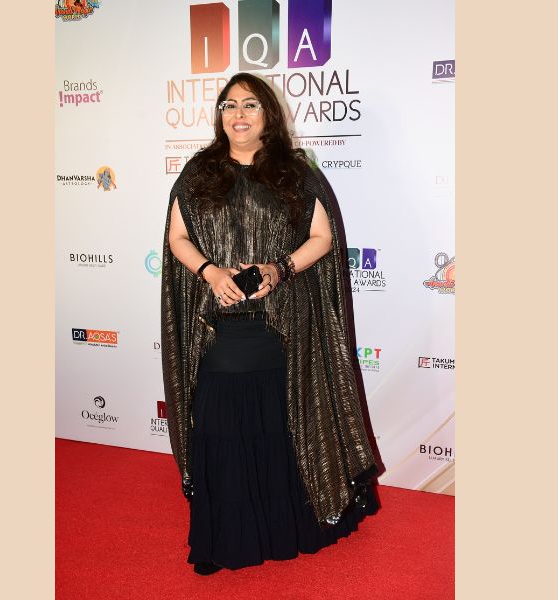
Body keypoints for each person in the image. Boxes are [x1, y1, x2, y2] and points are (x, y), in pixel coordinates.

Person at [161, 72, 378, 575]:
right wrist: (211, 272)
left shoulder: (294, 172)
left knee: (282, 427)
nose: (238, 115)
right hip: (218, 327)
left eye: (250, 105)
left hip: (280, 328)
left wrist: (279, 269)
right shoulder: (198, 172)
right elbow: (177, 238)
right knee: (220, 430)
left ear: (268, 115)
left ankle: (286, 530)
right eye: (229, 105)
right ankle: (226, 538)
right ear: (220, 115)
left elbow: (322, 237)